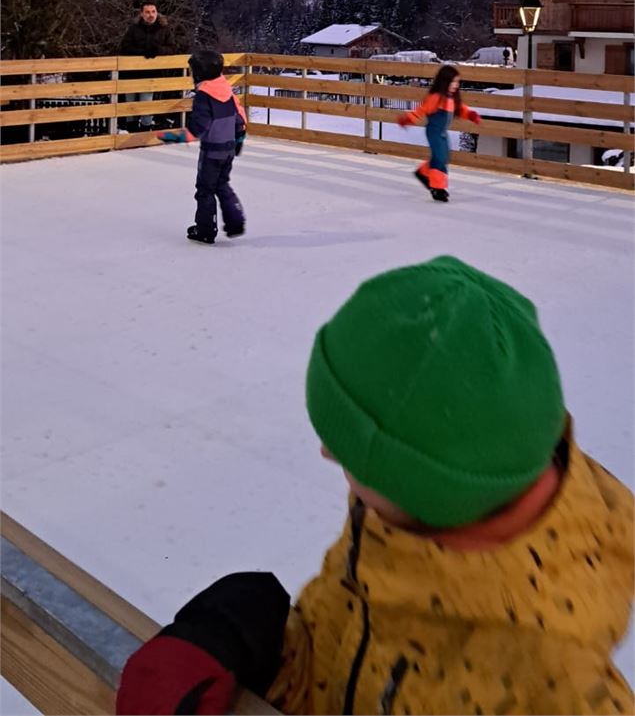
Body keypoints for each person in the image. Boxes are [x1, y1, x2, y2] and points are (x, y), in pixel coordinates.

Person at [116, 257, 634, 716]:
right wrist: (233, 632)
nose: (326, 452)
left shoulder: (554, 689)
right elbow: (341, 662)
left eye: (347, 447)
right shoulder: (399, 521)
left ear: (429, 482)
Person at [158, 49, 246, 244]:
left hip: (212, 151)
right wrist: (238, 141)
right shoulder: (226, 90)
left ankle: (205, 230)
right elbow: (240, 119)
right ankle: (236, 221)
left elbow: (199, 127)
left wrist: (173, 136)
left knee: (205, 189)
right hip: (228, 148)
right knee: (221, 184)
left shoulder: (204, 96)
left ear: (199, 73)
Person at [398, 62, 481, 201]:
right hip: (434, 131)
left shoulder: (452, 98)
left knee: (444, 157)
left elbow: (461, 109)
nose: (456, 85)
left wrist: (471, 115)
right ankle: (437, 188)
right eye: (454, 82)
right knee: (440, 158)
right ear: (445, 81)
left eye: (457, 82)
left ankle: (423, 172)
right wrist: (408, 119)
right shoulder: (435, 97)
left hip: (442, 132)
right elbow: (421, 110)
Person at [119, 1, 174, 130]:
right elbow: (124, 48)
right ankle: (131, 133)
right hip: (131, 72)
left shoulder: (164, 29)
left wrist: (157, 50)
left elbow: (172, 48)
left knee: (146, 103)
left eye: (153, 12)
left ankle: (144, 132)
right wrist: (142, 53)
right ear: (142, 14)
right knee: (130, 106)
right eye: (147, 12)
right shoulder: (133, 29)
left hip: (152, 73)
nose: (151, 15)